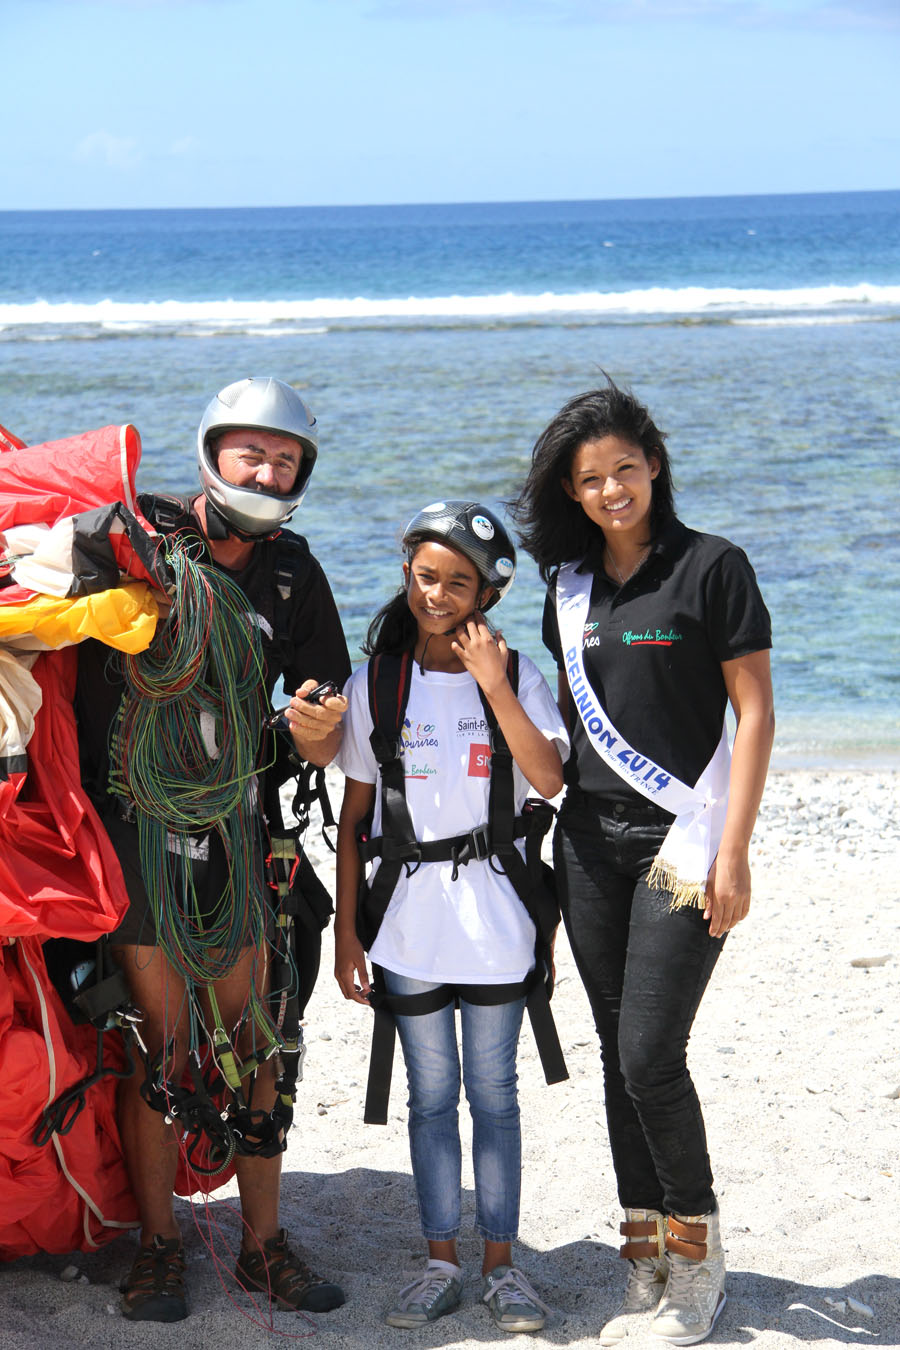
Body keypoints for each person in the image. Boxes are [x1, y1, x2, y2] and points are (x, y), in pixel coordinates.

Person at [74, 376, 351, 1323]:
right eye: (251, 452)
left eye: (284, 457)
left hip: (239, 822)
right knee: (159, 1044)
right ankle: (158, 1248)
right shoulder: (138, 536)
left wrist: (316, 728)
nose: (266, 469)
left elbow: (324, 715)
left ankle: (263, 1245)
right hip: (139, 827)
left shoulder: (292, 575)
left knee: (256, 1042)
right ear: (213, 453)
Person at [512, 380, 774, 1347]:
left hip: (685, 841)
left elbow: (754, 713)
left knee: (650, 1054)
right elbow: (562, 730)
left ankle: (699, 1257)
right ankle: (645, 1248)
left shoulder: (713, 568)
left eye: (626, 467)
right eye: (592, 478)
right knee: (618, 1051)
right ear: (572, 495)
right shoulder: (567, 590)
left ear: (654, 465)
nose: (613, 487)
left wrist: (735, 851)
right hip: (587, 841)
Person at [333, 501, 568, 1333]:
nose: (438, 594)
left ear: (487, 595)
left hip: (500, 917)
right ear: (407, 575)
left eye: (458, 583)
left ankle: (502, 1267)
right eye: (426, 577)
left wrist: (496, 684)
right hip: (405, 923)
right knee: (431, 1098)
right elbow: (355, 816)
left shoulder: (518, 675)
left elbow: (546, 779)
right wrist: (345, 930)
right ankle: (440, 1262)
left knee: (494, 1096)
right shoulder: (378, 683)